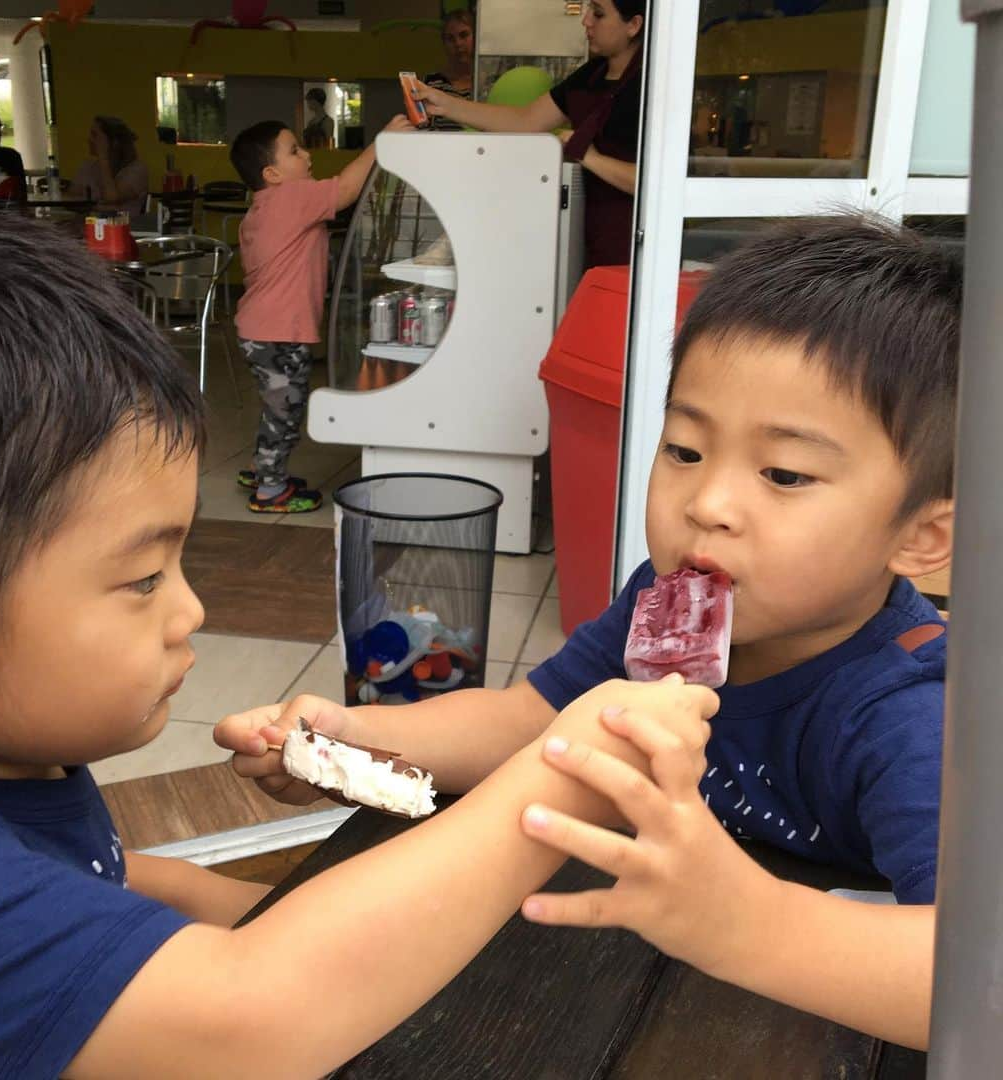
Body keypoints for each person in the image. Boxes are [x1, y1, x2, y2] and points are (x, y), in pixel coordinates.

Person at [0, 200, 719, 1078]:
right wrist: (563, 771)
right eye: (143, 579)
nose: (189, 613)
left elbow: (108, 882)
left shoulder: (0, 764)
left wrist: (332, 914)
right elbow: (251, 1019)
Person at [216, 215, 960, 1051]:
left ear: (921, 539)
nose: (706, 503)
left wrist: (748, 922)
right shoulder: (661, 602)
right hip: (625, 983)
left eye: (783, 473)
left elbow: (975, 983)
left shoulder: (913, 716)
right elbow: (535, 724)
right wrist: (361, 738)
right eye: (684, 449)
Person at [227, 114, 411, 512]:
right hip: (279, 331)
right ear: (272, 173)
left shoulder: (264, 206)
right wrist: (382, 140)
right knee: (286, 408)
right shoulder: (290, 198)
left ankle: (263, 468)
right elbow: (345, 188)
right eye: (295, 150)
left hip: (261, 327)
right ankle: (270, 491)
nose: (307, 155)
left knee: (278, 404)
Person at [414, 0, 644, 268]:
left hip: (632, 248)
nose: (586, 21)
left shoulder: (653, 85)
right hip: (585, 238)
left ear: (633, 25)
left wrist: (591, 158)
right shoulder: (591, 75)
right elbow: (525, 120)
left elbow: (661, 184)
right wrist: (445, 104)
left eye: (599, 14)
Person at [70, 115, 149, 215]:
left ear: (114, 142)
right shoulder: (87, 166)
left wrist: (103, 157)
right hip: (88, 226)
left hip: (123, 228)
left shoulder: (138, 170)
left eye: (95, 135)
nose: (89, 139)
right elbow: (71, 199)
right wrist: (95, 207)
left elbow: (111, 198)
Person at [422, 8, 476, 131]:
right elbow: (423, 131)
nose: (458, 43)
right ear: (444, 44)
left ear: (476, 37)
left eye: (464, 35)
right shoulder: (432, 82)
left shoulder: (488, 82)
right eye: (450, 39)